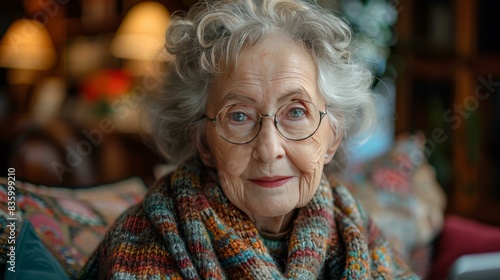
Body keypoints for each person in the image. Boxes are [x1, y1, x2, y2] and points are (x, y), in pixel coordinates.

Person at [79, 0, 418, 278]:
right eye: (238, 116)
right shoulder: (145, 242)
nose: (268, 150)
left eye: (296, 112)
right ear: (204, 142)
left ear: (333, 137)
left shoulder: (355, 230)